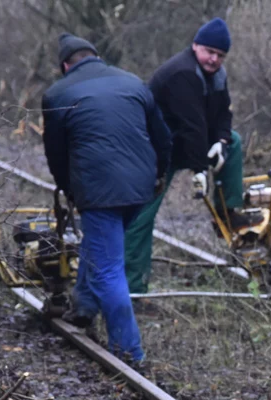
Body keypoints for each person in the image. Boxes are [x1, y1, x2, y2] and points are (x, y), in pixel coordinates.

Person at [42, 33, 170, 365]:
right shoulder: (134, 83)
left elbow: (56, 154)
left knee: (108, 269)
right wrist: (159, 175)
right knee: (101, 246)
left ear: (65, 65)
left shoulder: (57, 93)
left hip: (100, 190)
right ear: (96, 57)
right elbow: (163, 137)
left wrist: (67, 188)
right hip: (140, 187)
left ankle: (129, 353)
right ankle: (83, 307)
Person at [124, 16, 248, 295]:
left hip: (180, 142)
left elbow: (222, 113)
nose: (214, 59)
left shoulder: (217, 75)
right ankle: (133, 291)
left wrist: (221, 141)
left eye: (220, 55)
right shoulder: (182, 72)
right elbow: (192, 124)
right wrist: (200, 170)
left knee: (235, 142)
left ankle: (227, 212)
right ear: (195, 46)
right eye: (209, 52)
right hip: (153, 151)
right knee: (142, 218)